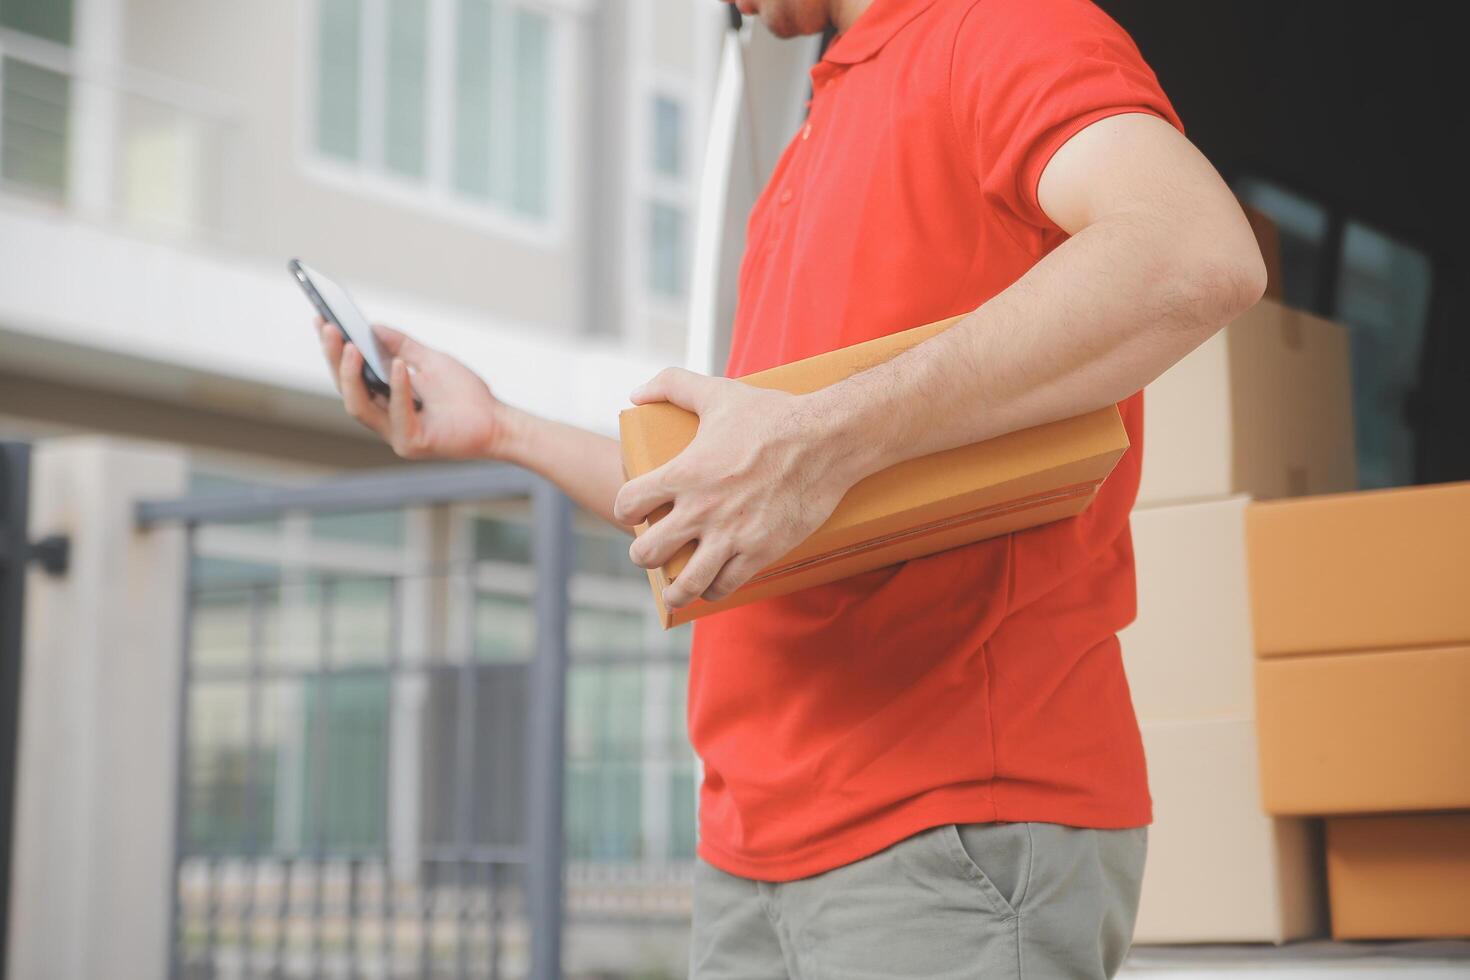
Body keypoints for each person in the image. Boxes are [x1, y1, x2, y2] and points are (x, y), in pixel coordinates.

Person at [318, 0, 1265, 975]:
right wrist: (500, 427)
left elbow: (1193, 249)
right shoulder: (810, 140)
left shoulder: (1001, 28)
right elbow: (727, 492)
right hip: (749, 847)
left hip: (944, 827)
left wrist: (819, 442)